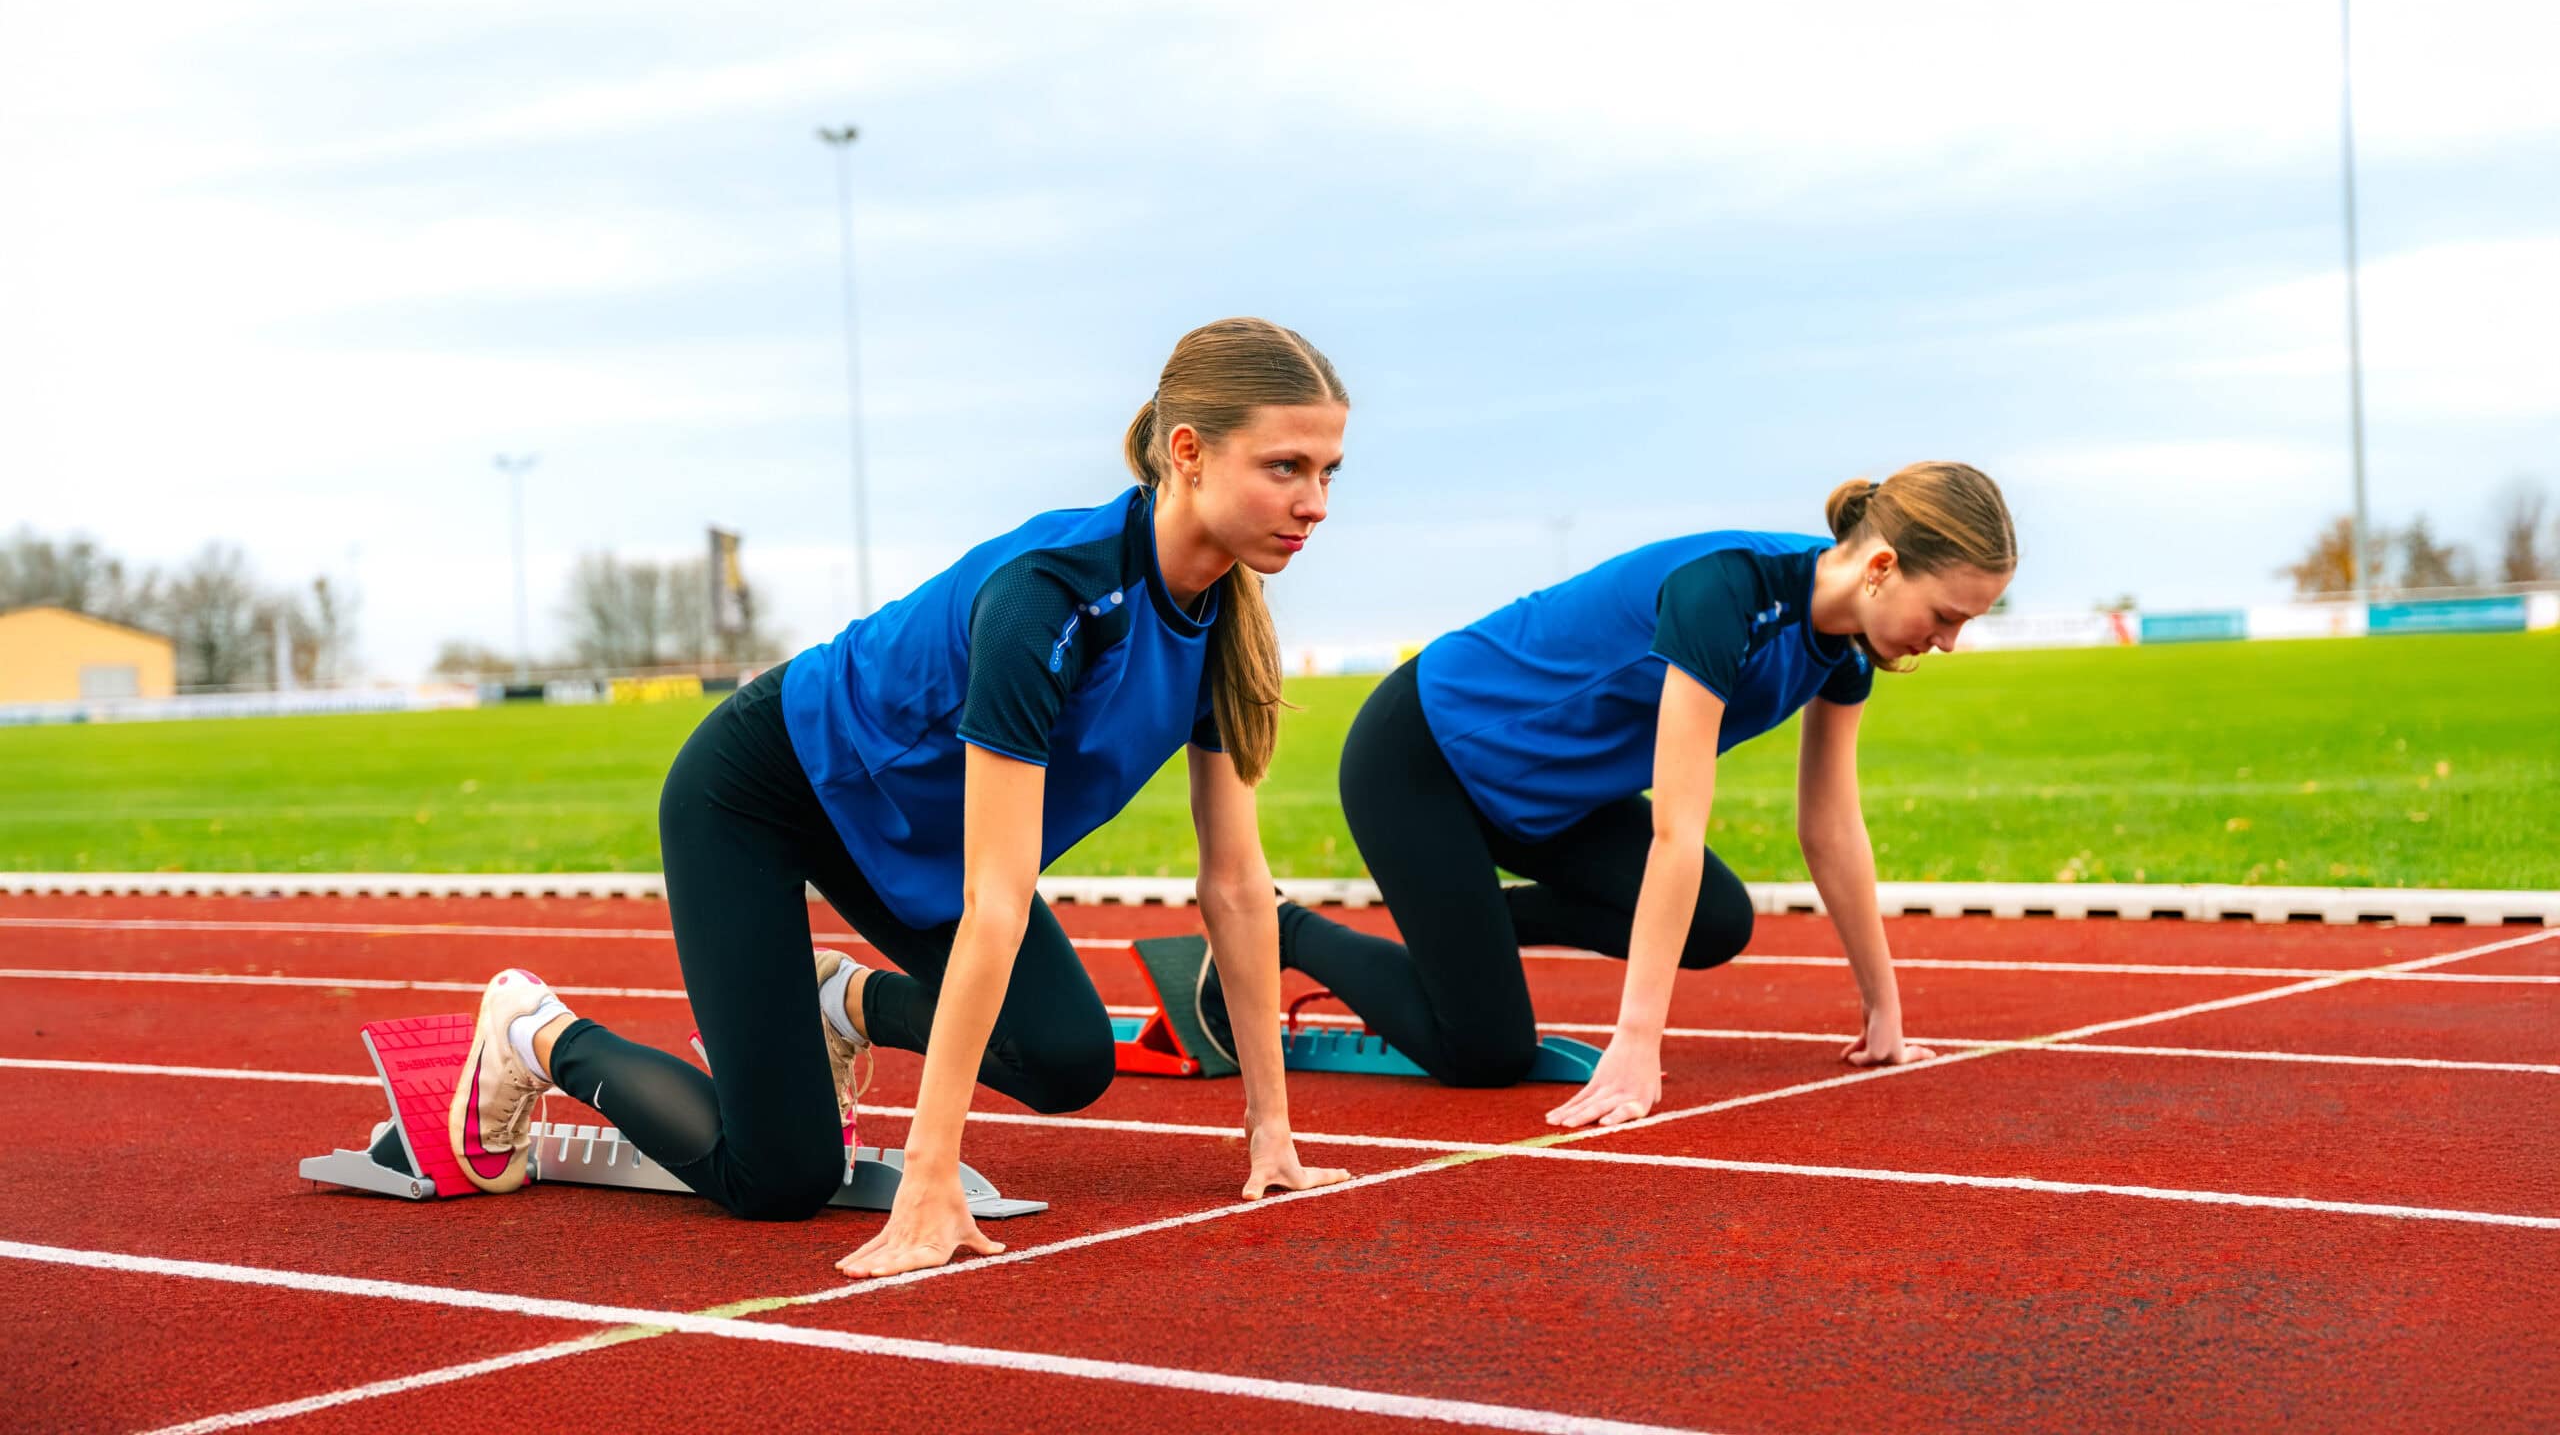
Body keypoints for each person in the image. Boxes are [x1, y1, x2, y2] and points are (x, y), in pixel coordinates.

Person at [447, 317, 1355, 1277]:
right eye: (1286, 467)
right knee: (781, 1178)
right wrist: (931, 1173)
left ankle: (842, 1003)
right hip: (765, 790)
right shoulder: (1048, 599)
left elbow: (1240, 890)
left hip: (903, 828)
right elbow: (996, 900)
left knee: (1065, 1060)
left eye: (1329, 472)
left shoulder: (1222, 622)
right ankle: (536, 1034)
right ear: (1189, 454)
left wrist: (1271, 1134)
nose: (1316, 503)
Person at [1232, 461, 2016, 1130]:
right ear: (1881, 567)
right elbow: (1676, 830)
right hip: (1426, 758)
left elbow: (1832, 827)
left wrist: (1884, 1011)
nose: (1946, 643)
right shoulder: (1728, 593)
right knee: (1484, 1054)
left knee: (1717, 921)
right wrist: (1637, 1041)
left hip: (1553, 800)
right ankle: (1279, 929)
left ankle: (1455, 943)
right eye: (1945, 616)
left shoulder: (1847, 649)